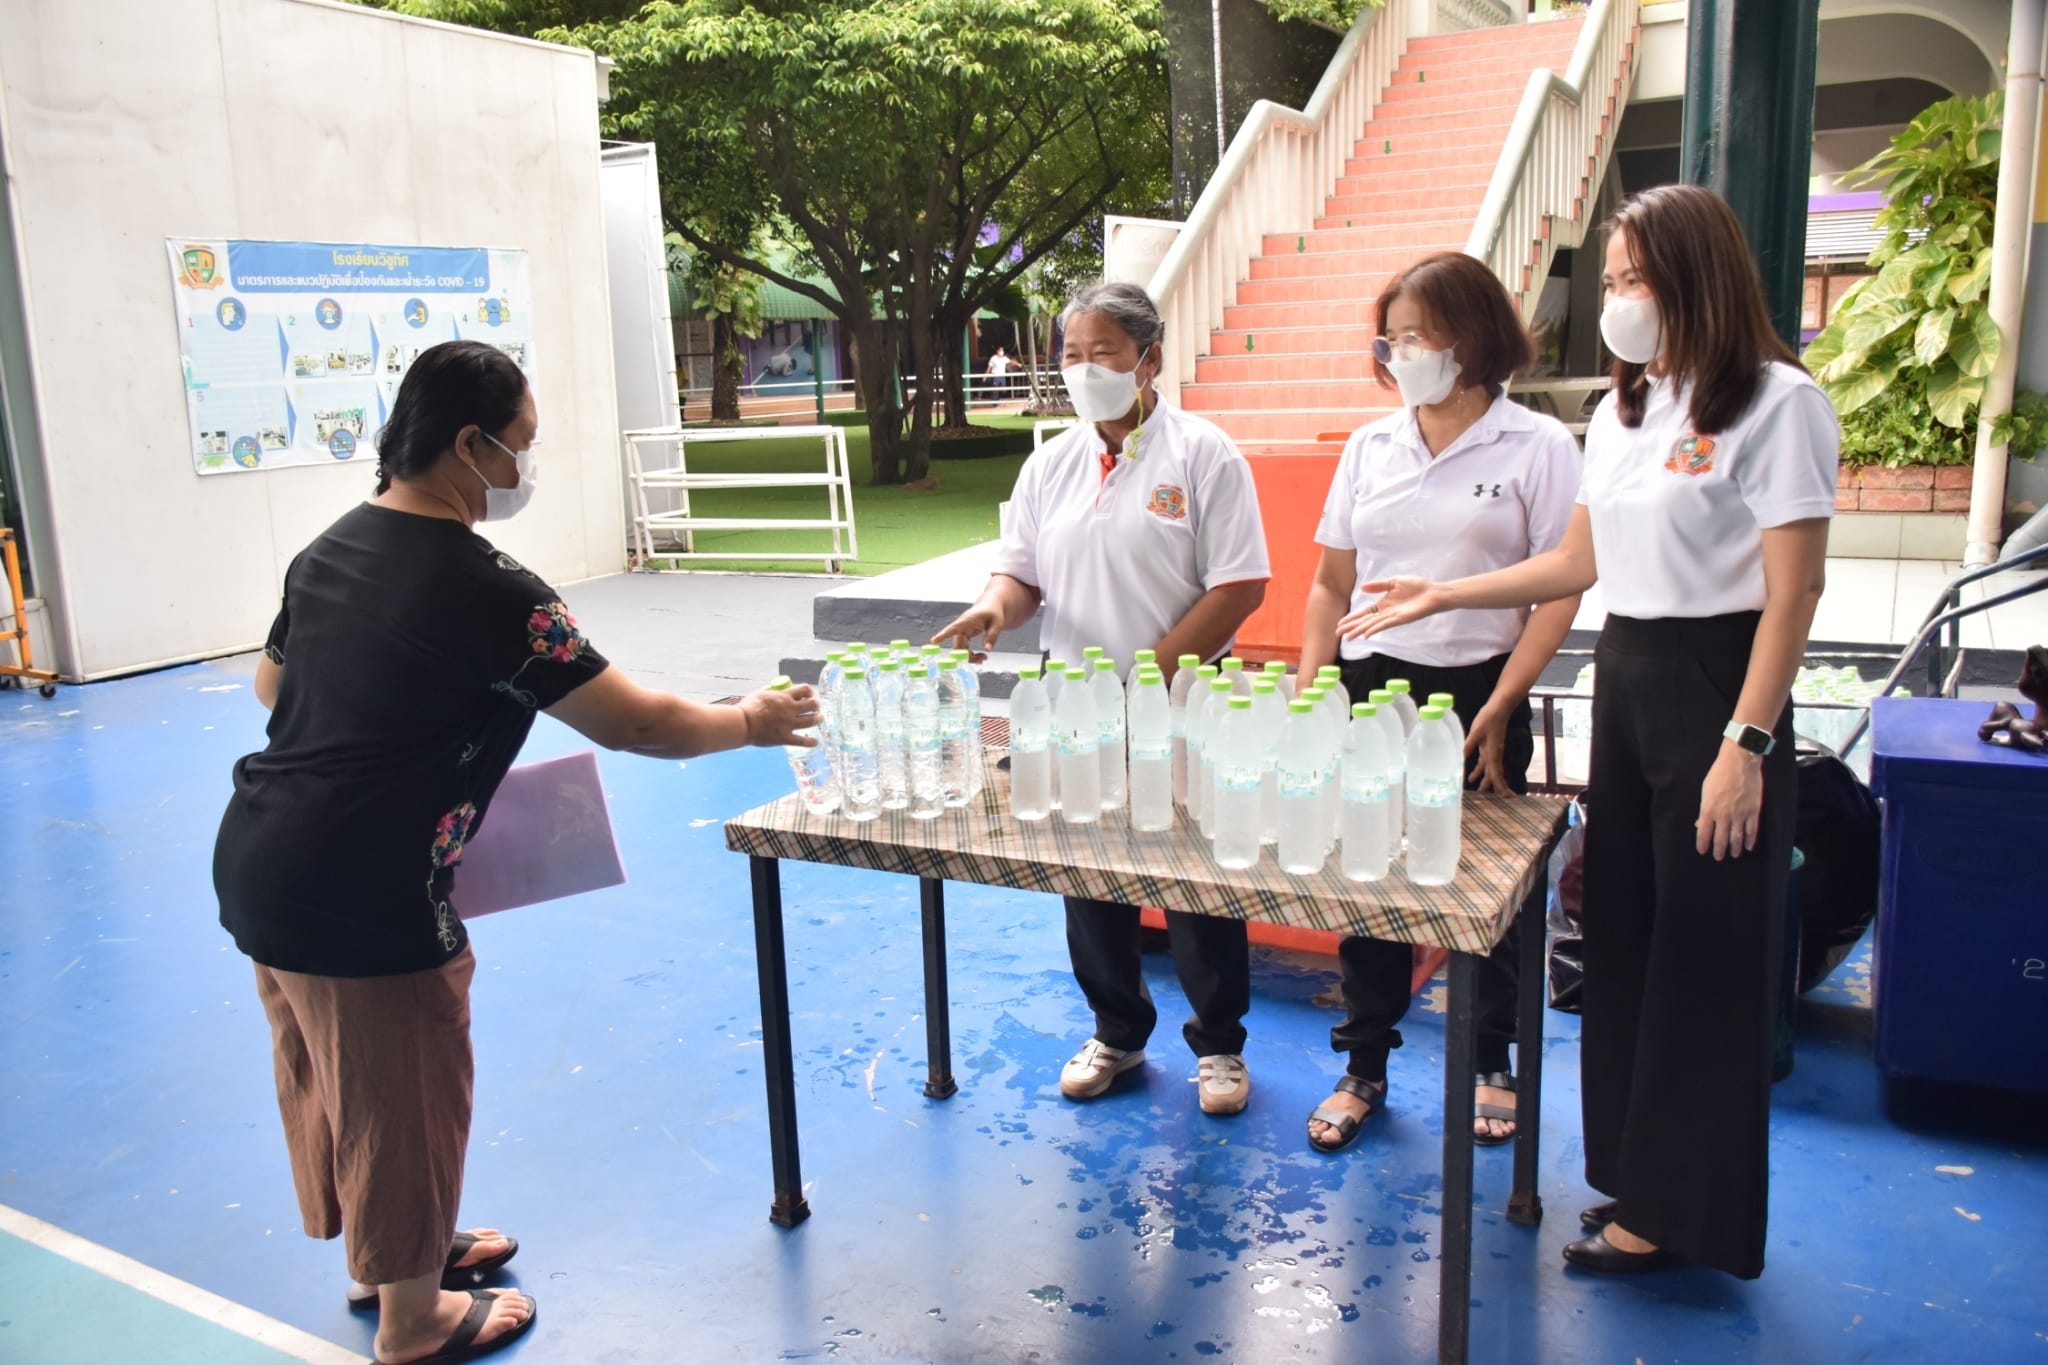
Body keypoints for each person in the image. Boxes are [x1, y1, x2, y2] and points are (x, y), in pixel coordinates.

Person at [213, 340, 817, 1364]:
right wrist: (749, 722)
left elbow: (274, 688)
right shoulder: (488, 587)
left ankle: (390, 1255)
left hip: (265, 858)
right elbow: (635, 723)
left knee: (338, 1076)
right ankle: (413, 1319)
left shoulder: (329, 548)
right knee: (404, 1085)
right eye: (520, 443)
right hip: (366, 888)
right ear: (468, 444)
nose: (525, 465)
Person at [1342, 185, 1837, 1279]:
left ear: (1694, 276)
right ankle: (1633, 1173)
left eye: (1631, 279)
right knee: (1625, 938)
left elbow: (1794, 591)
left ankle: (1681, 1213)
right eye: (1609, 281)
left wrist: (1745, 745)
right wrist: (1443, 592)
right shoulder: (1626, 412)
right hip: (1630, 674)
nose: (1614, 300)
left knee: (1703, 954)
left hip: (1721, 684)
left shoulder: (1776, 403)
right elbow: (1575, 561)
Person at [935, 281, 1271, 1116]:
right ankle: (1117, 1030)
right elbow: (1021, 575)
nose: (1086, 369)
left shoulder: (1203, 454)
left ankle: (1219, 1044)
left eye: (1105, 353)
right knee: (1087, 871)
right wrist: (993, 608)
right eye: (1072, 355)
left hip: (1183, 693)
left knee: (1195, 870)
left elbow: (1240, 584)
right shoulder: (1049, 463)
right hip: (1074, 699)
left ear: (1149, 359)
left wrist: (1149, 673)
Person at [1296, 251, 1581, 1156]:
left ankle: (1492, 1057)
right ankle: (1363, 1062)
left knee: (1485, 886)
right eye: (1391, 339)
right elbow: (1331, 582)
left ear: (1473, 336)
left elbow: (1561, 588)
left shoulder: (1537, 446)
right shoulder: (1370, 446)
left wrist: (1504, 701)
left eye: (1417, 335)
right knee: (1368, 876)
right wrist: (1311, 686)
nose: (1400, 354)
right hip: (1372, 686)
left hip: (1480, 690)